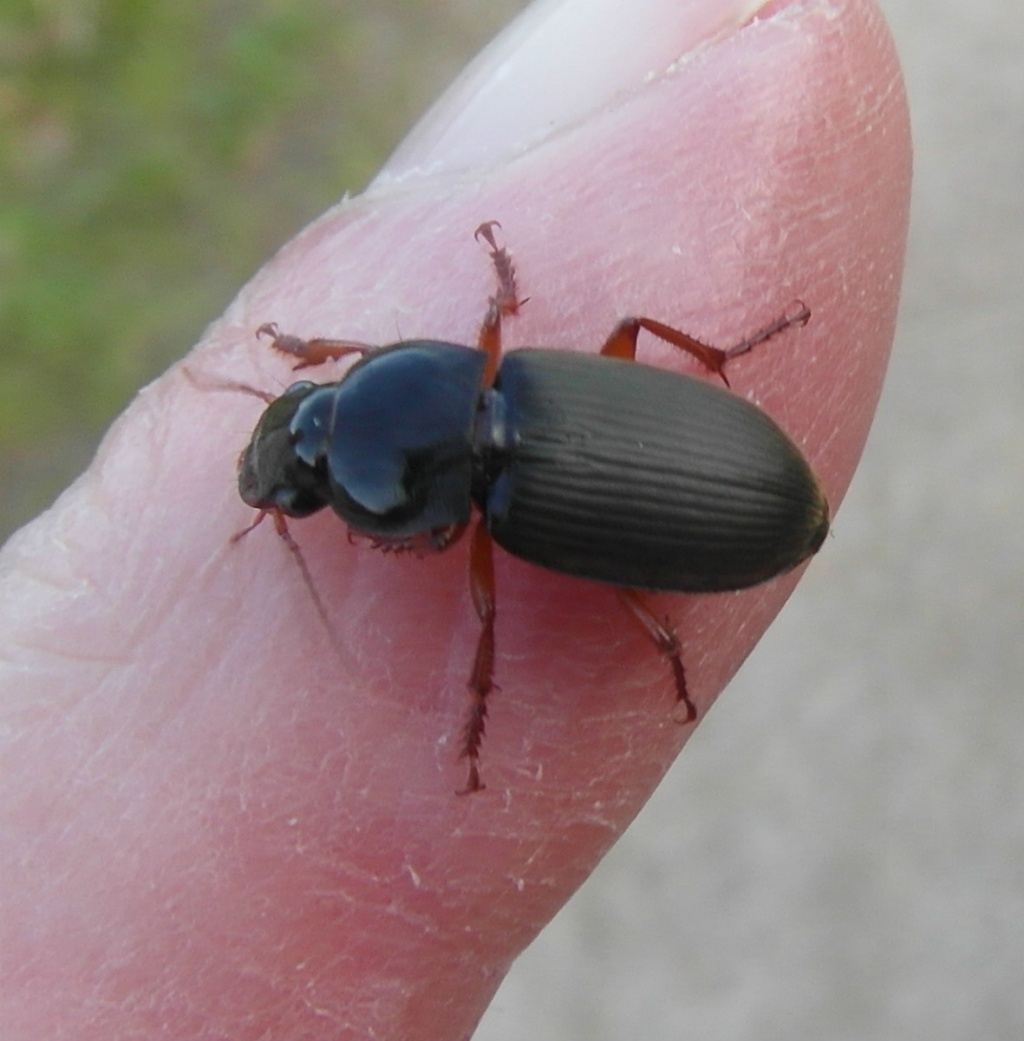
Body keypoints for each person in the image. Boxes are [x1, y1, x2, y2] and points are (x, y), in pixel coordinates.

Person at [0, 0, 910, 1037]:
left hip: (734, 486)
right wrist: (331, 356)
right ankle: (676, 567)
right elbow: (409, 367)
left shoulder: (481, 513)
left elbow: (436, 524)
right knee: (619, 346)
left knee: (532, 603)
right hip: (718, 471)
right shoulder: (485, 374)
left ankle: (667, 600)